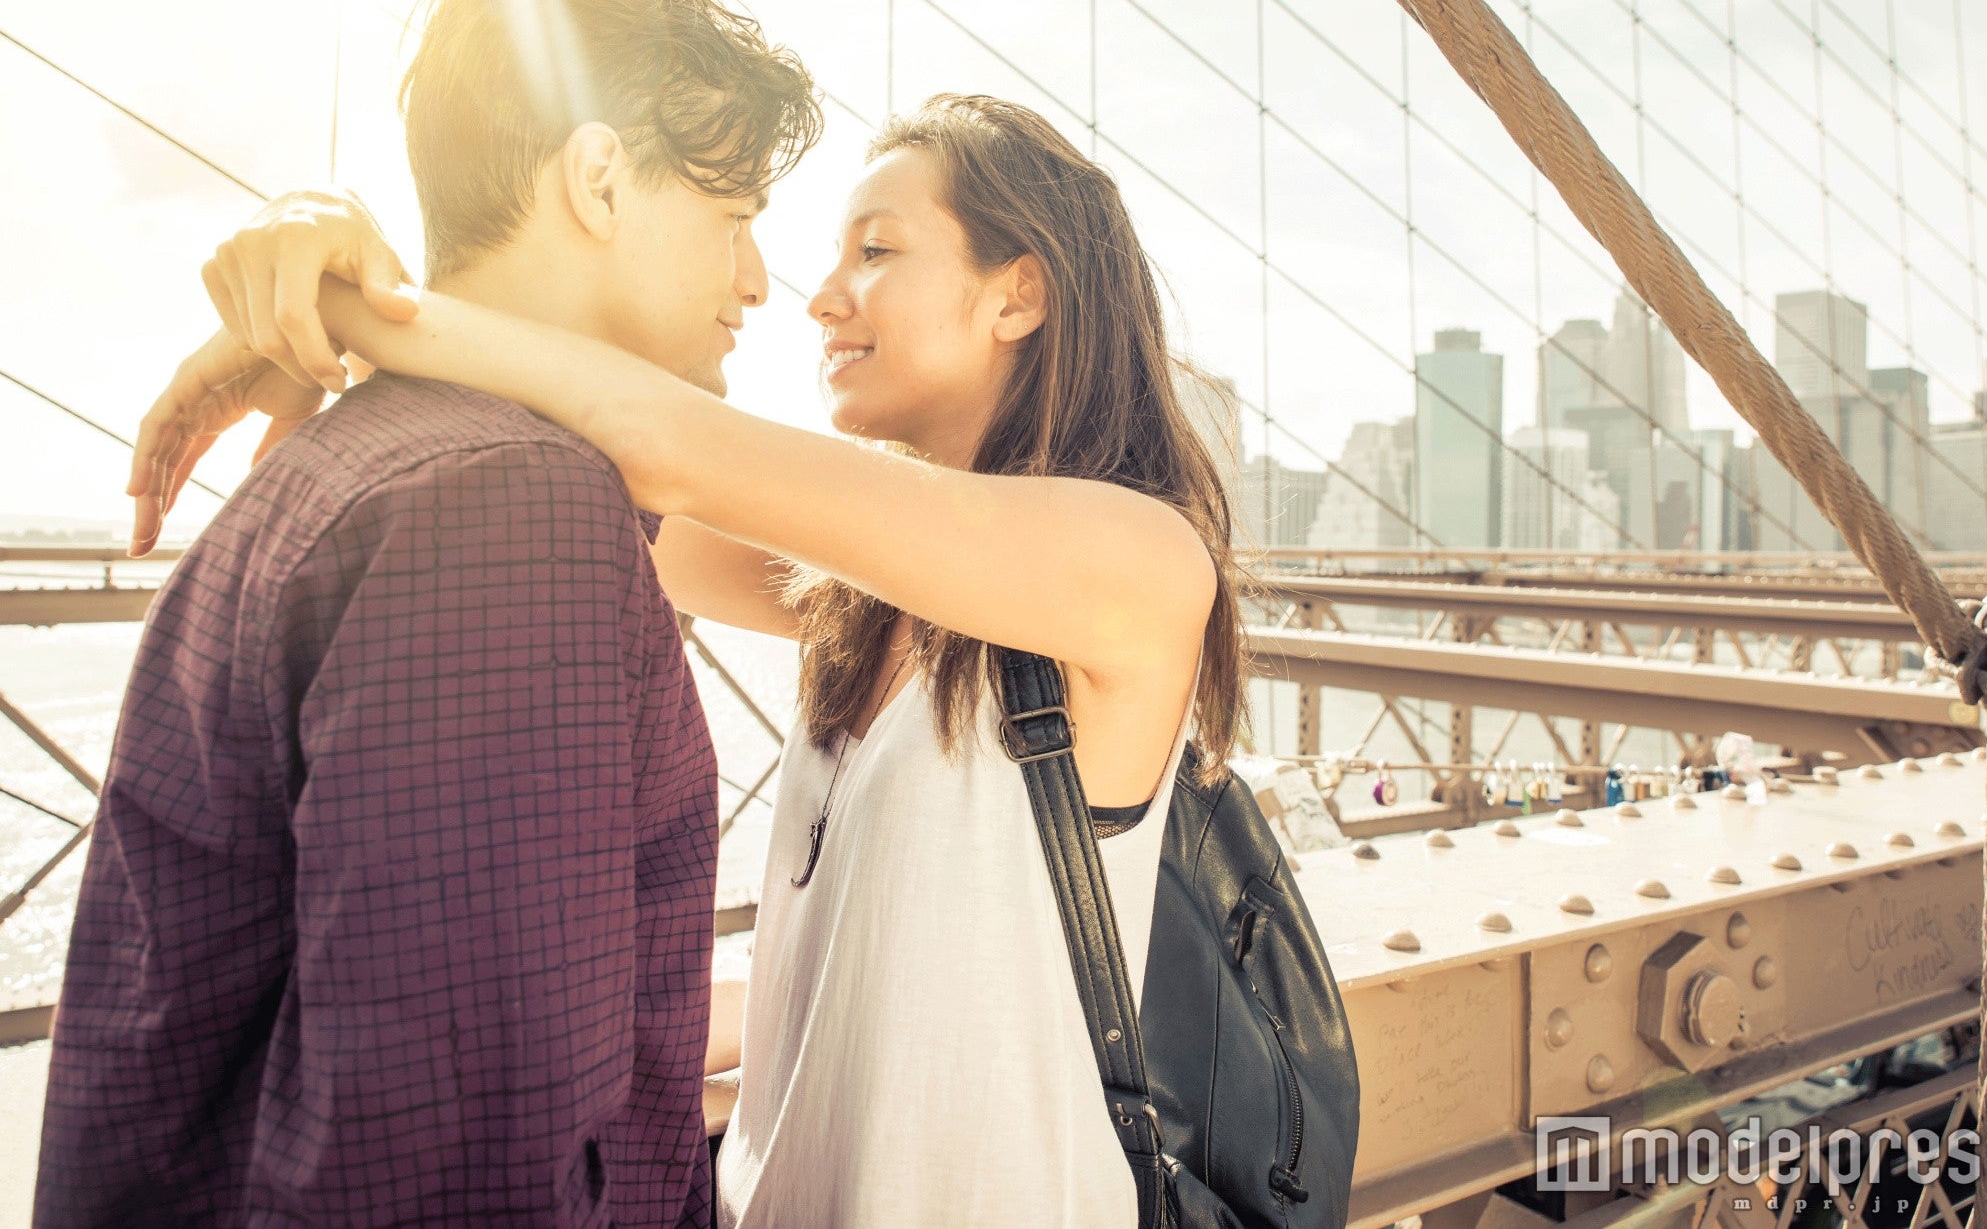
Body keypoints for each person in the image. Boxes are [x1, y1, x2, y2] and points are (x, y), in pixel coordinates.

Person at [134, 93, 1249, 1224]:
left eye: (875, 251)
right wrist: (316, 248)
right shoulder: (853, 597)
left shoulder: (1139, 564)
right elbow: (583, 462)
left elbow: (657, 442)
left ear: (1019, 293)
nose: (816, 299)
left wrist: (351, 305)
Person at [37, 0, 819, 1228]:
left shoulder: (377, 461)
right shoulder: (506, 509)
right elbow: (457, 1167)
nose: (754, 284)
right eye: (734, 220)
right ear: (602, 179)